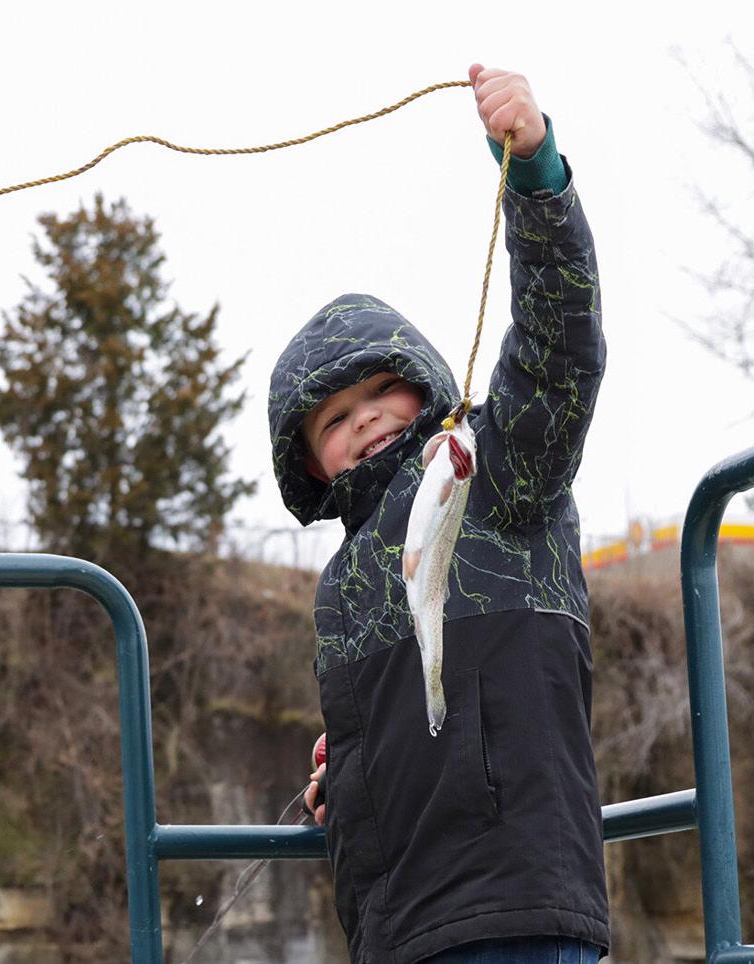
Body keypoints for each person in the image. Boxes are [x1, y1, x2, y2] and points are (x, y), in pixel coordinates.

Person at [267, 64, 609, 964]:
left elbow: (557, 351)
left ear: (430, 393)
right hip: (397, 933)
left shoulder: (497, 475)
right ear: (309, 461)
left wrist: (534, 177)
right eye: (335, 419)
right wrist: (352, 775)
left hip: (515, 911)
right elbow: (415, 729)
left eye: (384, 391)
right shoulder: (341, 587)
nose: (367, 418)